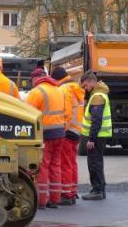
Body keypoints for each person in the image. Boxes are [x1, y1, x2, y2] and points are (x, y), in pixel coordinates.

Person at [25, 68, 67, 209]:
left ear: (35, 79)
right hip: (60, 133)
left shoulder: (36, 92)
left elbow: (26, 115)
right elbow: (66, 113)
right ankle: (55, 199)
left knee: (43, 166)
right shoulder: (59, 90)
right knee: (55, 165)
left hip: (45, 134)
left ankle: (42, 200)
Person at [51, 67, 84, 205]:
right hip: (77, 130)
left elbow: (67, 112)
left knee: (65, 163)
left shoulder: (64, 89)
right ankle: (72, 190)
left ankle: (66, 193)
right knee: (72, 163)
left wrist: (63, 128)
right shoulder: (76, 87)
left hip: (68, 130)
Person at [80, 71, 111, 200]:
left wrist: (91, 138)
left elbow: (96, 120)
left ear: (92, 82)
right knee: (97, 161)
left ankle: (97, 190)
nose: (85, 89)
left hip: (96, 137)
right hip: (100, 135)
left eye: (85, 86)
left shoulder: (97, 97)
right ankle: (100, 188)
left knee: (94, 163)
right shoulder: (99, 94)